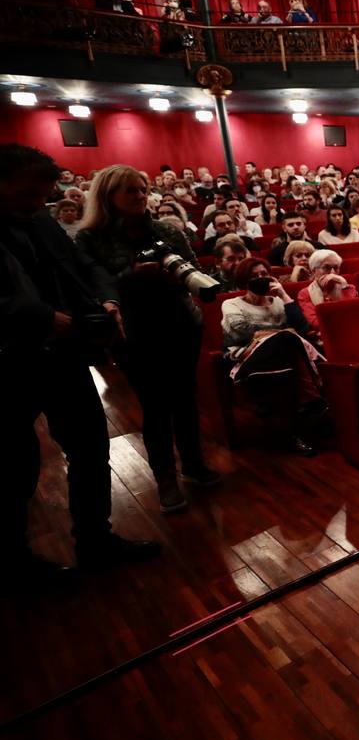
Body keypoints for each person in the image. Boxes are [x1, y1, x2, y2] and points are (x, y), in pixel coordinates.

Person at [0, 146, 161, 580]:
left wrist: (105, 300)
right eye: (26, 194)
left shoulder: (40, 220)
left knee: (91, 448)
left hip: (65, 353)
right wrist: (45, 318)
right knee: (16, 465)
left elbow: (82, 265)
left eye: (43, 195)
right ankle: (15, 561)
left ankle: (96, 539)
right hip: (11, 362)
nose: (36, 204)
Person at [77, 164, 222, 513]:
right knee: (156, 406)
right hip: (134, 332)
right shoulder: (90, 238)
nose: (140, 196)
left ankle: (193, 464)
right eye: (131, 191)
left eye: (143, 190)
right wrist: (133, 276)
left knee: (185, 398)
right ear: (108, 196)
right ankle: (165, 478)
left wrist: (176, 278)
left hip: (179, 324)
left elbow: (191, 270)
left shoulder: (165, 231)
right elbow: (94, 285)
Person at [222, 258, 328, 457]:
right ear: (244, 281)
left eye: (264, 274)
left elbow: (302, 328)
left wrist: (284, 296)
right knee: (286, 337)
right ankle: (315, 399)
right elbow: (241, 332)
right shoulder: (232, 304)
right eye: (254, 276)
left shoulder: (278, 302)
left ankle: (297, 430)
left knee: (288, 349)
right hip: (247, 356)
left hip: (282, 359)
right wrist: (278, 332)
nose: (261, 279)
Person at [295, 249, 355, 332]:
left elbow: (353, 316)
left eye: (336, 268)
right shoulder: (305, 293)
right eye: (327, 268)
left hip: (350, 330)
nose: (332, 273)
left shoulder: (348, 288)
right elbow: (316, 323)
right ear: (313, 270)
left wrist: (344, 284)